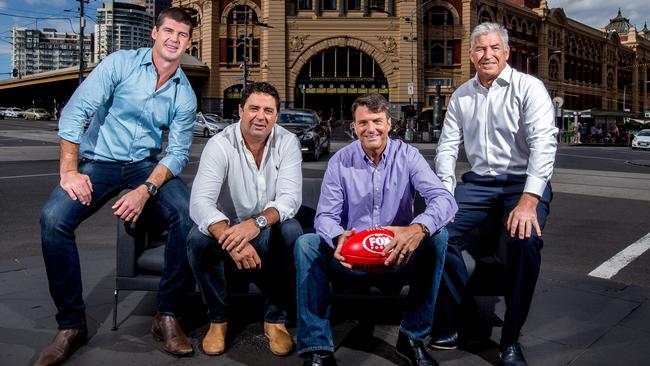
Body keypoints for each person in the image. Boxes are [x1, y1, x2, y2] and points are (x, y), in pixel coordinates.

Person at [36, 8, 197, 365]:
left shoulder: (184, 94)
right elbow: (75, 113)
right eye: (169, 31)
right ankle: (71, 325)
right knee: (52, 219)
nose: (174, 39)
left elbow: (179, 153)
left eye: (182, 35)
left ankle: (166, 314)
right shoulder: (119, 64)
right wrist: (69, 172)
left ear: (188, 42)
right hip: (100, 162)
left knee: (188, 215)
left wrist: (146, 190)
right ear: (154, 33)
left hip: (144, 165)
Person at [294, 93, 457, 366]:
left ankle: (411, 338)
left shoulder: (409, 156)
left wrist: (417, 229)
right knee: (306, 244)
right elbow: (324, 216)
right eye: (363, 122)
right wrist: (338, 237)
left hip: (397, 257)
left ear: (389, 123)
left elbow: (445, 200)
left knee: (438, 235)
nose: (371, 129)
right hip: (351, 259)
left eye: (377, 121)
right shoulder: (340, 161)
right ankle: (318, 348)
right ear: (354, 127)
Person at [432, 22, 557, 366]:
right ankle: (460, 313)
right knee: (437, 232)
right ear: (471, 55)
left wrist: (530, 200)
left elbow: (543, 144)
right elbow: (446, 149)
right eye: (480, 49)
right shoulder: (461, 96)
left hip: (521, 182)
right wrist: (445, 194)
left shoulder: (529, 88)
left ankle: (511, 338)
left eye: (494, 48)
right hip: (477, 183)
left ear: (506, 52)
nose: (487, 55)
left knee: (525, 240)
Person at [186, 82, 303, 357]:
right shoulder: (219, 144)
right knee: (197, 239)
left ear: (276, 116)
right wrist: (233, 238)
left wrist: (256, 224)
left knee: (292, 231)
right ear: (240, 111)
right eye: (254, 108)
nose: (260, 116)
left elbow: (289, 200)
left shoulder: (287, 142)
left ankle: (275, 319)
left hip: (265, 230)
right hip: (228, 232)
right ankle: (218, 319)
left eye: (268, 110)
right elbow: (200, 202)